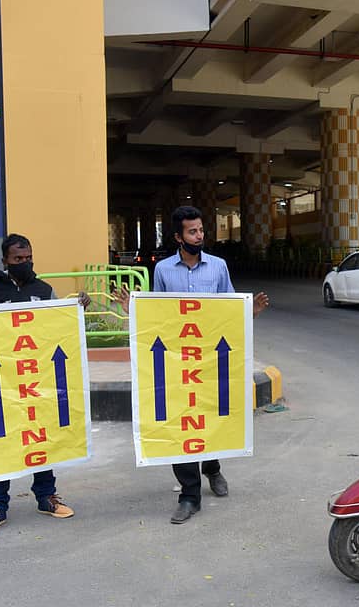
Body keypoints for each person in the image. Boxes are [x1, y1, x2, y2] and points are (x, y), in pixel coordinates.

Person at [116, 206, 268, 524]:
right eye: (192, 232)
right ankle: (189, 495)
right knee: (182, 421)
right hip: (176, 362)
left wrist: (249, 312)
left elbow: (229, 309)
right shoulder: (163, 271)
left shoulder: (219, 267)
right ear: (178, 237)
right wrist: (135, 310)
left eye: (200, 230)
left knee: (207, 417)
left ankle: (212, 467)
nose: (199, 236)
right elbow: (158, 313)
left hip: (211, 360)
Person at [0, 234, 91, 535]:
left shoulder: (45, 290)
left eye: (28, 259)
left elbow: (57, 327)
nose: (24, 264)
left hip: (38, 379)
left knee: (41, 436)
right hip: (4, 383)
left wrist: (78, 310)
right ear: (4, 262)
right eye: (18, 260)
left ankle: (46, 497)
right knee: (2, 441)